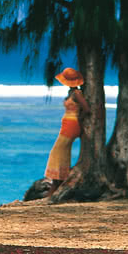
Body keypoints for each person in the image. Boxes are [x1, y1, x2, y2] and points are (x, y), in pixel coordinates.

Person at [41, 66, 90, 197]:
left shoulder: (77, 93)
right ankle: (56, 183)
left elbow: (86, 109)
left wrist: (79, 119)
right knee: (61, 152)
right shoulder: (71, 92)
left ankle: (56, 184)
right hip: (67, 124)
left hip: (72, 125)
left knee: (56, 152)